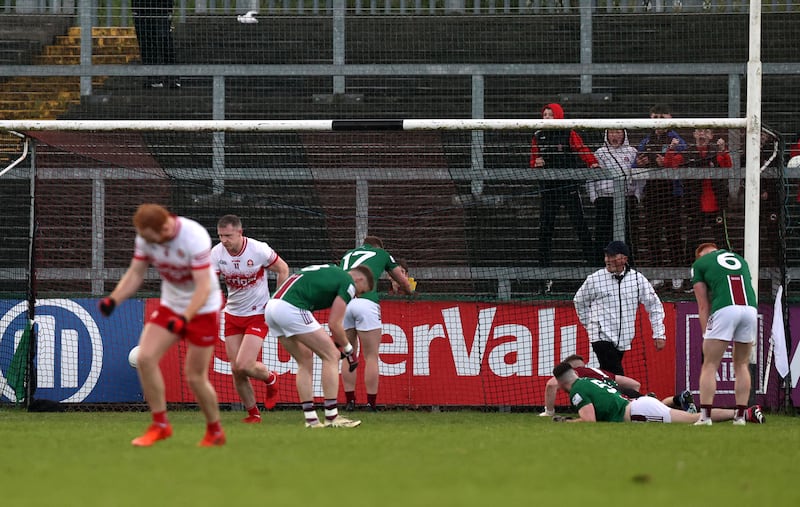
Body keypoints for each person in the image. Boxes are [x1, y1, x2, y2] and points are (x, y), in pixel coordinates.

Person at [99, 204, 225, 446]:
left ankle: (215, 430)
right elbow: (136, 273)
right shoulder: (146, 237)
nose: (150, 243)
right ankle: (160, 425)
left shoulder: (193, 235)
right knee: (145, 358)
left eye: (153, 238)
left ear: (165, 226)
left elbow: (203, 286)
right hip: (171, 305)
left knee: (195, 377)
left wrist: (185, 318)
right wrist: (114, 299)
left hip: (203, 308)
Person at [265, 263, 374, 428]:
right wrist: (349, 350)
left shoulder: (331, 270)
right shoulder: (348, 282)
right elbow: (334, 324)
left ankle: (311, 420)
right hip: (291, 308)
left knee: (305, 359)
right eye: (362, 291)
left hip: (271, 307)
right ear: (359, 279)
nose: (358, 295)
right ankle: (331, 417)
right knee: (331, 355)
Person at [211, 214, 290, 423]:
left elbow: (283, 268)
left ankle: (270, 378)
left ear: (239, 232)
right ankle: (253, 413)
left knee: (245, 364)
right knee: (236, 369)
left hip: (257, 314)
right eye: (220, 236)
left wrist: (277, 300)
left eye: (228, 235)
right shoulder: (217, 253)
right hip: (232, 315)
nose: (224, 241)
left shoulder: (258, 249)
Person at [551, 362, 764, 424]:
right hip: (638, 405)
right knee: (693, 417)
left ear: (562, 383)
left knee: (694, 419)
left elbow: (589, 421)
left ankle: (743, 413)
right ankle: (741, 413)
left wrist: (569, 422)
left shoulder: (576, 391)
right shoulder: (587, 380)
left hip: (637, 411)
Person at [339, 236, 414, 411]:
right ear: (378, 246)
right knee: (371, 356)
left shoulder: (348, 254)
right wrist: (410, 291)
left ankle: (350, 402)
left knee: (348, 354)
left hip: (344, 303)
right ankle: (370, 404)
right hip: (367, 303)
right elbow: (401, 279)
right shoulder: (382, 254)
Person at [530, 103, 598, 290]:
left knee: (581, 228)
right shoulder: (537, 135)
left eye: (551, 114)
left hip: (568, 188)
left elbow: (581, 149)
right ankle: (544, 277)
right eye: (545, 114)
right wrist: (536, 162)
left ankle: (594, 272)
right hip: (549, 191)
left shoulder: (568, 133)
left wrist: (592, 163)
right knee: (545, 232)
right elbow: (533, 160)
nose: (547, 117)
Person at [691, 242, 760, 426]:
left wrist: (707, 333)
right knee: (742, 364)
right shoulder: (740, 259)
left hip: (725, 310)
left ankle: (705, 417)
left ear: (701, 256)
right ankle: (740, 416)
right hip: (750, 309)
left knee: (710, 364)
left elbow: (703, 304)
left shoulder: (699, 265)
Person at [573, 241, 666, 376]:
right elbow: (579, 300)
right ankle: (628, 396)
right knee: (617, 376)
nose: (607, 260)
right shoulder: (595, 279)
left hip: (623, 339)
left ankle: (599, 395)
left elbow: (654, 305)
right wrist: (590, 325)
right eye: (606, 256)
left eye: (612, 256)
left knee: (608, 376)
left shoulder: (637, 279)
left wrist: (659, 333)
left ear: (624, 259)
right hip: (600, 336)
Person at [634, 104, 687, 291]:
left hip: (671, 193)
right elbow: (635, 164)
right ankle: (657, 274)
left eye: (662, 117)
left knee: (673, 234)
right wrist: (640, 163)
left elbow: (684, 154)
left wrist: (664, 162)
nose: (658, 120)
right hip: (652, 193)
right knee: (652, 234)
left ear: (670, 118)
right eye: (655, 116)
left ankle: (676, 275)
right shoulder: (646, 141)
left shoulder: (676, 140)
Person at [590, 128, 645, 262]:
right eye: (612, 132)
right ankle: (601, 265)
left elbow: (640, 175)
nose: (615, 136)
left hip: (627, 198)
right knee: (603, 234)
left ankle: (629, 265)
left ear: (624, 134)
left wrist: (637, 195)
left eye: (618, 132)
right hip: (605, 199)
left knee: (629, 234)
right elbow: (590, 177)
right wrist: (594, 197)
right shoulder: (599, 153)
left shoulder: (632, 152)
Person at [683, 129, 733, 262]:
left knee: (722, 239)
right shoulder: (688, 152)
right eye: (699, 131)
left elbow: (728, 166)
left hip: (715, 204)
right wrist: (670, 151)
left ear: (711, 136)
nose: (702, 134)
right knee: (691, 240)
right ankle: (688, 270)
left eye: (706, 132)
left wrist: (723, 150)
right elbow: (672, 166)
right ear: (693, 134)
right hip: (694, 205)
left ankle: (727, 268)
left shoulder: (717, 152)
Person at [539, 354, 644, 417]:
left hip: (617, 400)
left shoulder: (575, 372)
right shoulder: (599, 372)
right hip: (628, 395)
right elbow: (635, 384)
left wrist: (549, 412)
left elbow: (551, 385)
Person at [131, 0, 179, 88]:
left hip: (160, 10)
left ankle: (171, 76)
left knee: (164, 41)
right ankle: (152, 77)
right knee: (146, 44)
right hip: (142, 10)